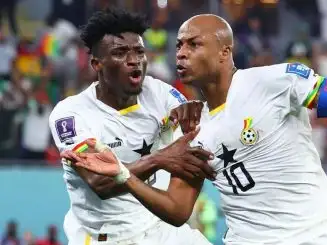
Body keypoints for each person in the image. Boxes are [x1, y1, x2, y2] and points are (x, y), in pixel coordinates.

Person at [64, 14, 327, 244]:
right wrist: (124, 175)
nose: (180, 53)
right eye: (179, 45)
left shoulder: (275, 81)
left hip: (317, 235)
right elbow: (178, 210)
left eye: (194, 44)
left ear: (224, 52)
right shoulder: (193, 132)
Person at [48, 9, 215, 245]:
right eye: (120, 53)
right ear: (97, 63)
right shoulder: (70, 115)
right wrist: (160, 159)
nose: (133, 60)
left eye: (139, 51)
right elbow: (101, 183)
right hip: (105, 236)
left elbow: (197, 133)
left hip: (157, 226)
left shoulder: (160, 93)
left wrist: (195, 112)